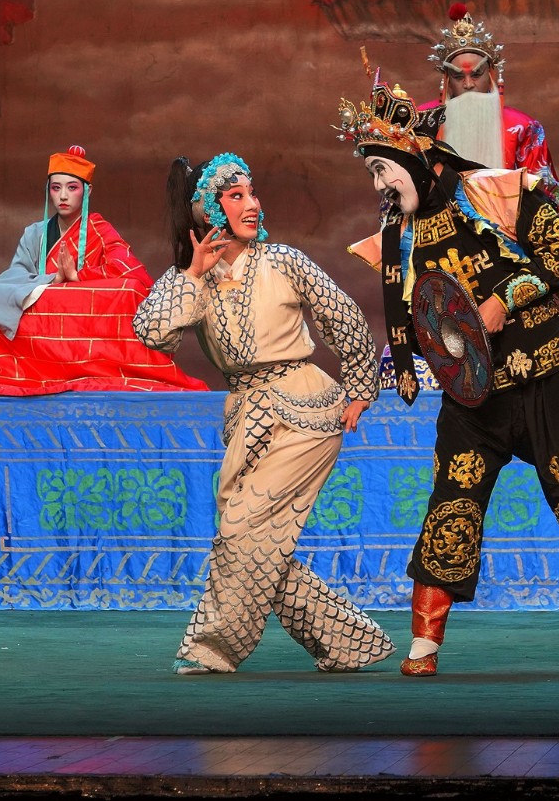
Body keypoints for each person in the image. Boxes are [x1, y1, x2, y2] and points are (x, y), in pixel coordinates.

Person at [337, 74, 559, 677]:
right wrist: (403, 366)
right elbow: (410, 313)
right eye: (372, 175)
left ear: (415, 158)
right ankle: (424, 644)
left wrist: (501, 300)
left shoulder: (497, 193)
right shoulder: (398, 236)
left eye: (383, 170)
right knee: (452, 502)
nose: (379, 185)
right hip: (474, 394)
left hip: (549, 376)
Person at [132, 153, 395, 674]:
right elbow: (152, 333)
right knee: (256, 542)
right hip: (247, 415)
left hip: (304, 409)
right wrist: (192, 273)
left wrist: (361, 388)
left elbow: (344, 316)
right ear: (209, 209)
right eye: (237, 196)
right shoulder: (193, 279)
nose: (253, 204)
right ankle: (348, 642)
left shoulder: (283, 261)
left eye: (252, 193)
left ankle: (212, 647)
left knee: (241, 529)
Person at [0, 145, 206, 396]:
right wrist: (53, 279)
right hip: (45, 316)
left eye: (72, 188)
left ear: (87, 190)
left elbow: (129, 271)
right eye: (56, 188)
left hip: (89, 321)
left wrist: (77, 277)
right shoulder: (35, 234)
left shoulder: (100, 229)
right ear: (48, 190)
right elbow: (14, 278)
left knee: (129, 289)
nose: (63, 196)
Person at [420, 3, 559, 210]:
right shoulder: (422, 123)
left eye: (476, 74)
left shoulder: (523, 127)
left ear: (490, 74)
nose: (468, 84)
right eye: (458, 76)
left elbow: (548, 197)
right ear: (446, 79)